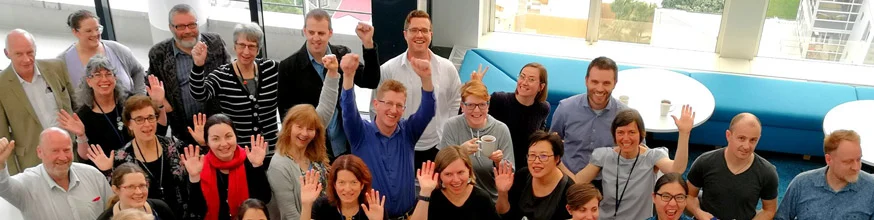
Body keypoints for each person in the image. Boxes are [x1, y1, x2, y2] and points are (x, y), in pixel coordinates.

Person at [342, 49, 435, 218]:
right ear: (376, 104)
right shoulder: (360, 133)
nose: (394, 110)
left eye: (399, 105)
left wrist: (426, 78)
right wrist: (348, 76)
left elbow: (427, 111)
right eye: (389, 103)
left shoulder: (408, 133)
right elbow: (348, 111)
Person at [278, 8, 381, 159]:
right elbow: (286, 116)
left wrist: (368, 44)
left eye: (321, 33)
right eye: (311, 32)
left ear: (330, 33)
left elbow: (370, 81)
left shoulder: (342, 55)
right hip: (312, 149)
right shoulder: (289, 67)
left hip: (346, 145)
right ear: (304, 31)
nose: (316, 38)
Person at [374, 10, 461, 170]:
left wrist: (447, 136)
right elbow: (376, 109)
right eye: (414, 30)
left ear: (431, 34)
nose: (419, 35)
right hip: (399, 145)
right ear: (405, 34)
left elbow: (455, 102)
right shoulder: (388, 70)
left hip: (438, 146)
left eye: (424, 30)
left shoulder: (447, 68)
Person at [87, 95, 197, 219]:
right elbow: (119, 194)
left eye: (151, 117)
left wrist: (202, 143)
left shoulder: (177, 147)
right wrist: (108, 171)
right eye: (139, 119)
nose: (147, 124)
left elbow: (195, 182)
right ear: (129, 124)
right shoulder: (120, 158)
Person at [574, 107, 693, 219]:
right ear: (614, 134)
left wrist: (684, 134)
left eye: (631, 132)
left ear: (641, 134)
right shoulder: (603, 156)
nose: (626, 138)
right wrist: (558, 163)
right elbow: (577, 182)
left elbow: (677, 169)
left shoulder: (652, 156)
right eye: (620, 132)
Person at [58, 55, 168, 169]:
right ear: (89, 81)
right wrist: (81, 135)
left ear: (115, 78)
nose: (104, 79)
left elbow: (159, 131)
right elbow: (85, 157)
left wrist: (158, 103)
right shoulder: (83, 115)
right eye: (98, 75)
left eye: (108, 74)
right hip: (108, 171)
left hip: (143, 165)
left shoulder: (130, 103)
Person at [148, 3, 230, 146]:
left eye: (192, 25)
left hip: (217, 123)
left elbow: (230, 74)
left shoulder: (215, 43)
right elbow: (150, 81)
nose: (187, 31)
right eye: (180, 26)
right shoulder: (159, 53)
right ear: (170, 28)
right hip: (182, 127)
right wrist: (166, 105)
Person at [189, 22, 280, 151]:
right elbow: (199, 94)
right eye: (242, 45)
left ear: (258, 49)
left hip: (272, 148)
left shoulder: (271, 69)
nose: (246, 51)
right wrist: (198, 66)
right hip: (238, 151)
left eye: (252, 46)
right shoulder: (222, 75)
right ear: (234, 46)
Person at [1, 29, 75, 174]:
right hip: (33, 161)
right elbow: (3, 135)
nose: (26, 59)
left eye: (30, 52)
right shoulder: (1, 85)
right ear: (6, 53)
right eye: (19, 54)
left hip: (69, 152)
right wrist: (14, 177)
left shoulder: (56, 67)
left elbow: (76, 104)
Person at [0, 128, 113, 220]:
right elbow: (3, 186)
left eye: (66, 150)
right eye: (55, 151)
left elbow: (114, 210)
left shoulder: (93, 175)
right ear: (40, 152)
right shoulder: (26, 184)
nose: (63, 157)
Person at [550, 57, 628, 187]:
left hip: (608, 183)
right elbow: (553, 144)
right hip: (566, 178)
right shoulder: (565, 108)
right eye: (595, 82)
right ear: (586, 81)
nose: (599, 88)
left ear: (615, 83)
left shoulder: (624, 115)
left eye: (606, 83)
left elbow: (638, 153)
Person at [268, 73, 338, 219]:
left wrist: (332, 73)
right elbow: (289, 214)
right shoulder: (279, 165)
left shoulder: (314, 155)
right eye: (299, 127)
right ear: (288, 127)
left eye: (310, 129)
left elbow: (327, 106)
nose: (304, 133)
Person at [686, 113, 779, 220]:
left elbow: (769, 210)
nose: (746, 146)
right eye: (741, 138)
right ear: (728, 136)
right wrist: (699, 213)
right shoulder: (705, 161)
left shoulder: (767, 172)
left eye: (753, 140)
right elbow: (689, 196)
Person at [181, 114, 271, 220]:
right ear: (207, 142)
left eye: (228, 136)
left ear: (236, 136)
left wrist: (258, 166)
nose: (223, 144)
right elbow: (197, 211)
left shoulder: (249, 160)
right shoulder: (199, 166)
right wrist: (194, 178)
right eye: (215, 139)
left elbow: (264, 199)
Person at [438, 80, 514, 202]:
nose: (477, 110)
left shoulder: (501, 129)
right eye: (471, 105)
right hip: (456, 196)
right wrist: (460, 152)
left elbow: (510, 173)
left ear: (488, 106)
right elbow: (441, 167)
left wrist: (499, 162)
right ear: (462, 106)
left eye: (482, 105)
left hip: (490, 198)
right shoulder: (451, 125)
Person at [776, 129, 874, 220]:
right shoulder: (801, 183)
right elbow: (781, 218)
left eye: (858, 159)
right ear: (829, 159)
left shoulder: (871, 188)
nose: (856, 167)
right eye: (848, 162)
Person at [470, 63, 550, 167]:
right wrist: (475, 87)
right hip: (492, 164)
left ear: (541, 86)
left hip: (523, 167)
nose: (524, 82)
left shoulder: (543, 108)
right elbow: (472, 115)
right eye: (522, 76)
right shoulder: (499, 100)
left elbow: (538, 137)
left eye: (531, 79)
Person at [60, 10, 146, 95]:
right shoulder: (63, 61)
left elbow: (138, 71)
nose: (95, 34)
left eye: (97, 29)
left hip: (127, 106)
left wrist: (139, 97)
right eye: (88, 31)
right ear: (75, 32)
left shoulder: (118, 50)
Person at [495, 130, 575, 220]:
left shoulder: (569, 190)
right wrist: (502, 192)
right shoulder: (522, 175)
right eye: (532, 155)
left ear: (557, 159)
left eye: (543, 156)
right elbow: (504, 213)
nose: (536, 161)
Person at [409, 146, 501, 220]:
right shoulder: (430, 197)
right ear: (439, 175)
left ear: (469, 171)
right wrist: (425, 192)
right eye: (448, 174)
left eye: (460, 172)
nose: (456, 180)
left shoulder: (482, 198)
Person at [299, 155, 387, 220]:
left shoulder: (373, 207)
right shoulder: (322, 206)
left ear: (362, 185)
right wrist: (306, 206)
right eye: (341, 182)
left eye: (354, 182)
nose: (347, 189)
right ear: (334, 185)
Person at [97, 163, 176, 220]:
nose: (138, 192)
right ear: (115, 189)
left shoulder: (160, 208)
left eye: (142, 185)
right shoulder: (105, 218)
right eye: (131, 187)